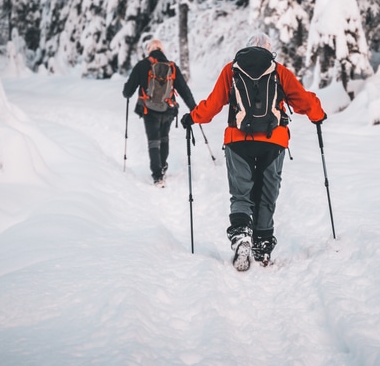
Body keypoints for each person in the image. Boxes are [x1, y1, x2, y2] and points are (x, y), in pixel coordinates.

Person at [181, 33, 326, 269]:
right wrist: (318, 115)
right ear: (270, 50)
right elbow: (304, 102)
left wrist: (192, 117)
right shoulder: (279, 71)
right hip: (274, 142)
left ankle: (241, 238)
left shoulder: (232, 70)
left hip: (238, 141)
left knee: (241, 194)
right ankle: (263, 247)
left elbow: (212, 104)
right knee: (266, 195)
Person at [123, 39, 197, 186]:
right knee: (164, 138)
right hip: (168, 109)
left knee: (153, 141)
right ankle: (162, 167)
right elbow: (184, 90)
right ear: (162, 50)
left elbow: (127, 92)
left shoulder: (142, 65)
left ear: (149, 50)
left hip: (149, 110)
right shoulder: (172, 67)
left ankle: (157, 176)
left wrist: (128, 90)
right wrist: (193, 108)